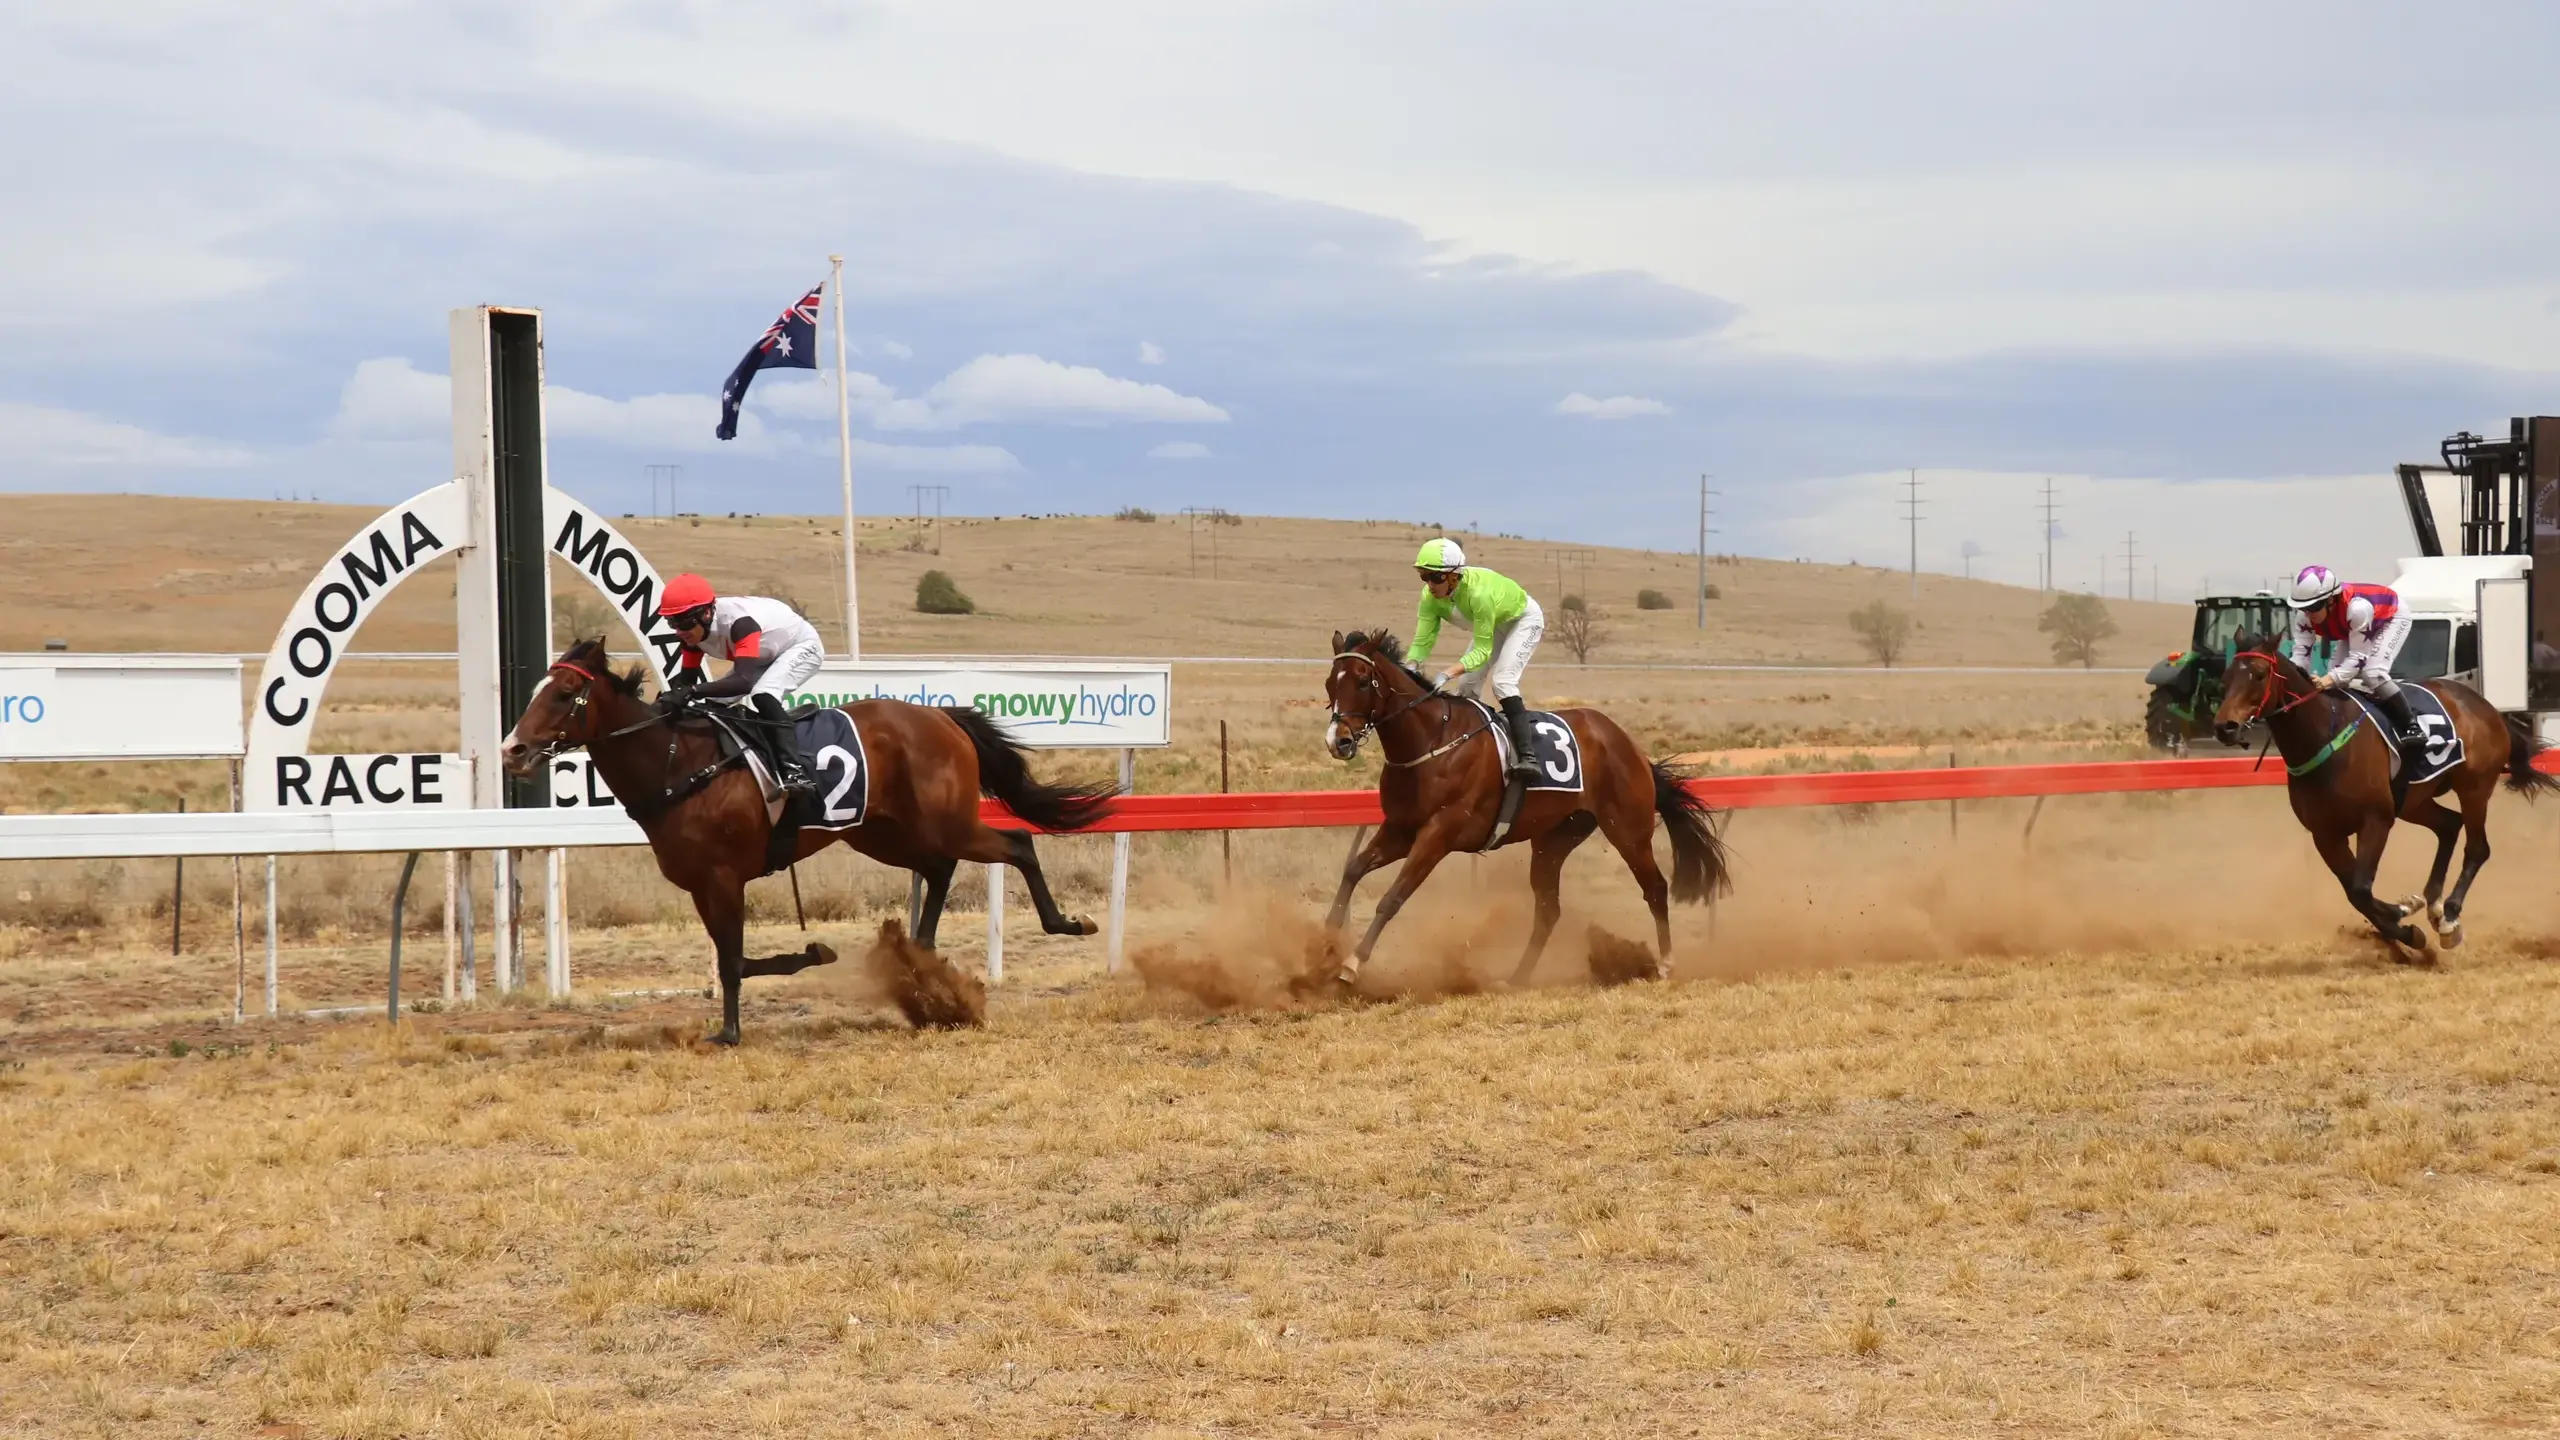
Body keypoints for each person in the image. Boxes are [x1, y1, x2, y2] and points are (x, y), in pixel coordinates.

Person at [655, 573, 826, 793]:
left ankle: (795, 771)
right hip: (762, 654)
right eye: (672, 623)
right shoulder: (693, 636)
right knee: (709, 703)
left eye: (684, 622)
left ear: (706, 613)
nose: (679, 631)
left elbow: (743, 682)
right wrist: (671, 698)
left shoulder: (739, 623)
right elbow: (687, 681)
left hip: (799, 645)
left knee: (764, 694)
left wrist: (692, 691)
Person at [1409, 538, 1544, 780]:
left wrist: (1447, 672)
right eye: (1424, 577)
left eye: (1436, 578)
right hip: (1493, 626)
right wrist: (1410, 669)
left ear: (1453, 576)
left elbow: (1481, 651)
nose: (1430, 584)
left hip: (1522, 621)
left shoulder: (1478, 595)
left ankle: (1528, 758)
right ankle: (1471, 752)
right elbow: (1423, 641)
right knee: (1467, 687)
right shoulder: (1429, 597)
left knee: (1503, 682)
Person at [2286, 564, 2427, 750]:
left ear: (2331, 600)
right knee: (2336, 681)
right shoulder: (2304, 617)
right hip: (2352, 625)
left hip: (2392, 616)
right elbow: (2300, 655)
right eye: (2304, 607)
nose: (2308, 613)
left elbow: (2359, 657)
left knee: (2372, 673)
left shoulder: (2357, 609)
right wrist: (2296, 681)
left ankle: (2411, 726)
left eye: (2314, 607)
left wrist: (2326, 680)